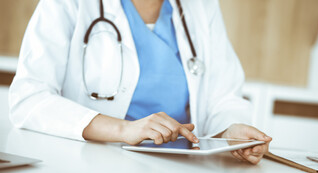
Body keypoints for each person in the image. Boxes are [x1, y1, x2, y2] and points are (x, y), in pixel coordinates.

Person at [9, 0, 272, 164]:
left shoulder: (202, 7)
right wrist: (124, 130)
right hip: (92, 168)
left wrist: (228, 132)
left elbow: (223, 96)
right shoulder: (69, 4)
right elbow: (29, 98)